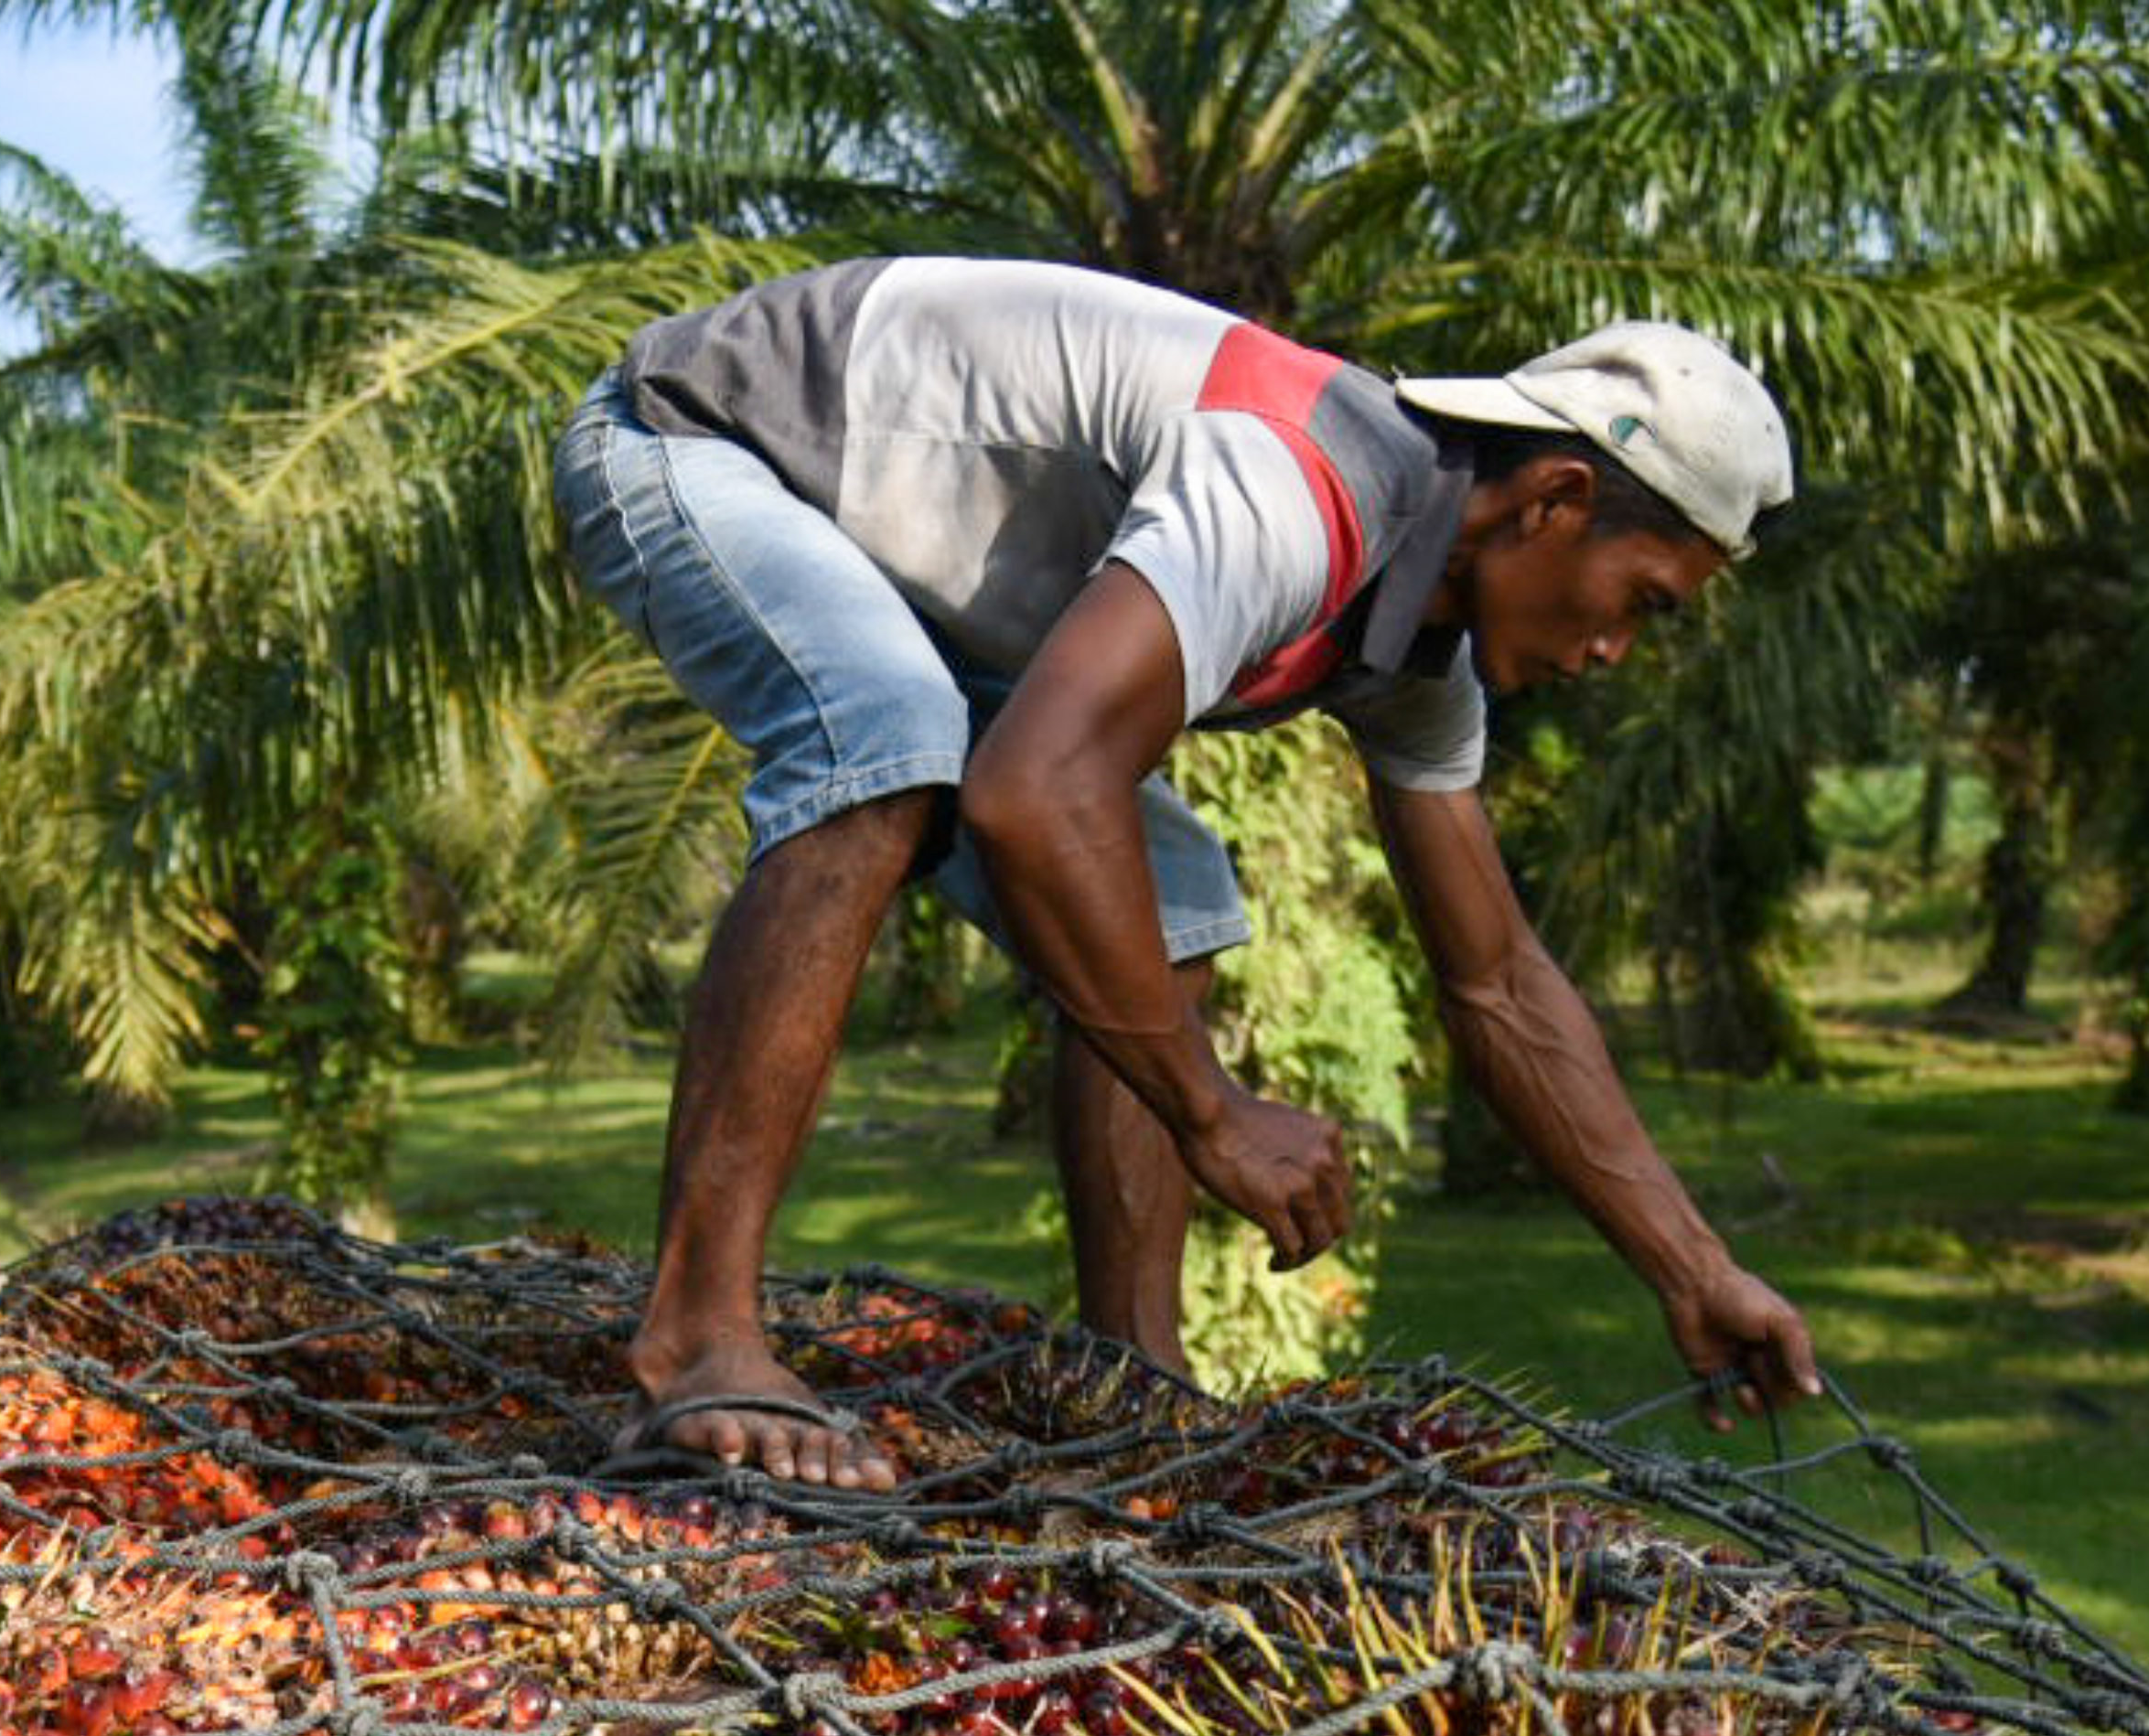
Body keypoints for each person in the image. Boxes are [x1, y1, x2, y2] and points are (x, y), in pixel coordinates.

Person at [555, 254, 1824, 1489]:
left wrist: (1693, 1270)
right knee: (883, 747)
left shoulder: (1418, 654)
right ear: (1552, 500)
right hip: (704, 442)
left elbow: (1496, 981)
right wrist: (1212, 1113)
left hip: (912, 579)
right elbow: (1030, 797)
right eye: (1643, 602)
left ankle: (1130, 1383)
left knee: (1172, 900)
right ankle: (701, 1332)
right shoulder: (1293, 488)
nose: (1614, 650)